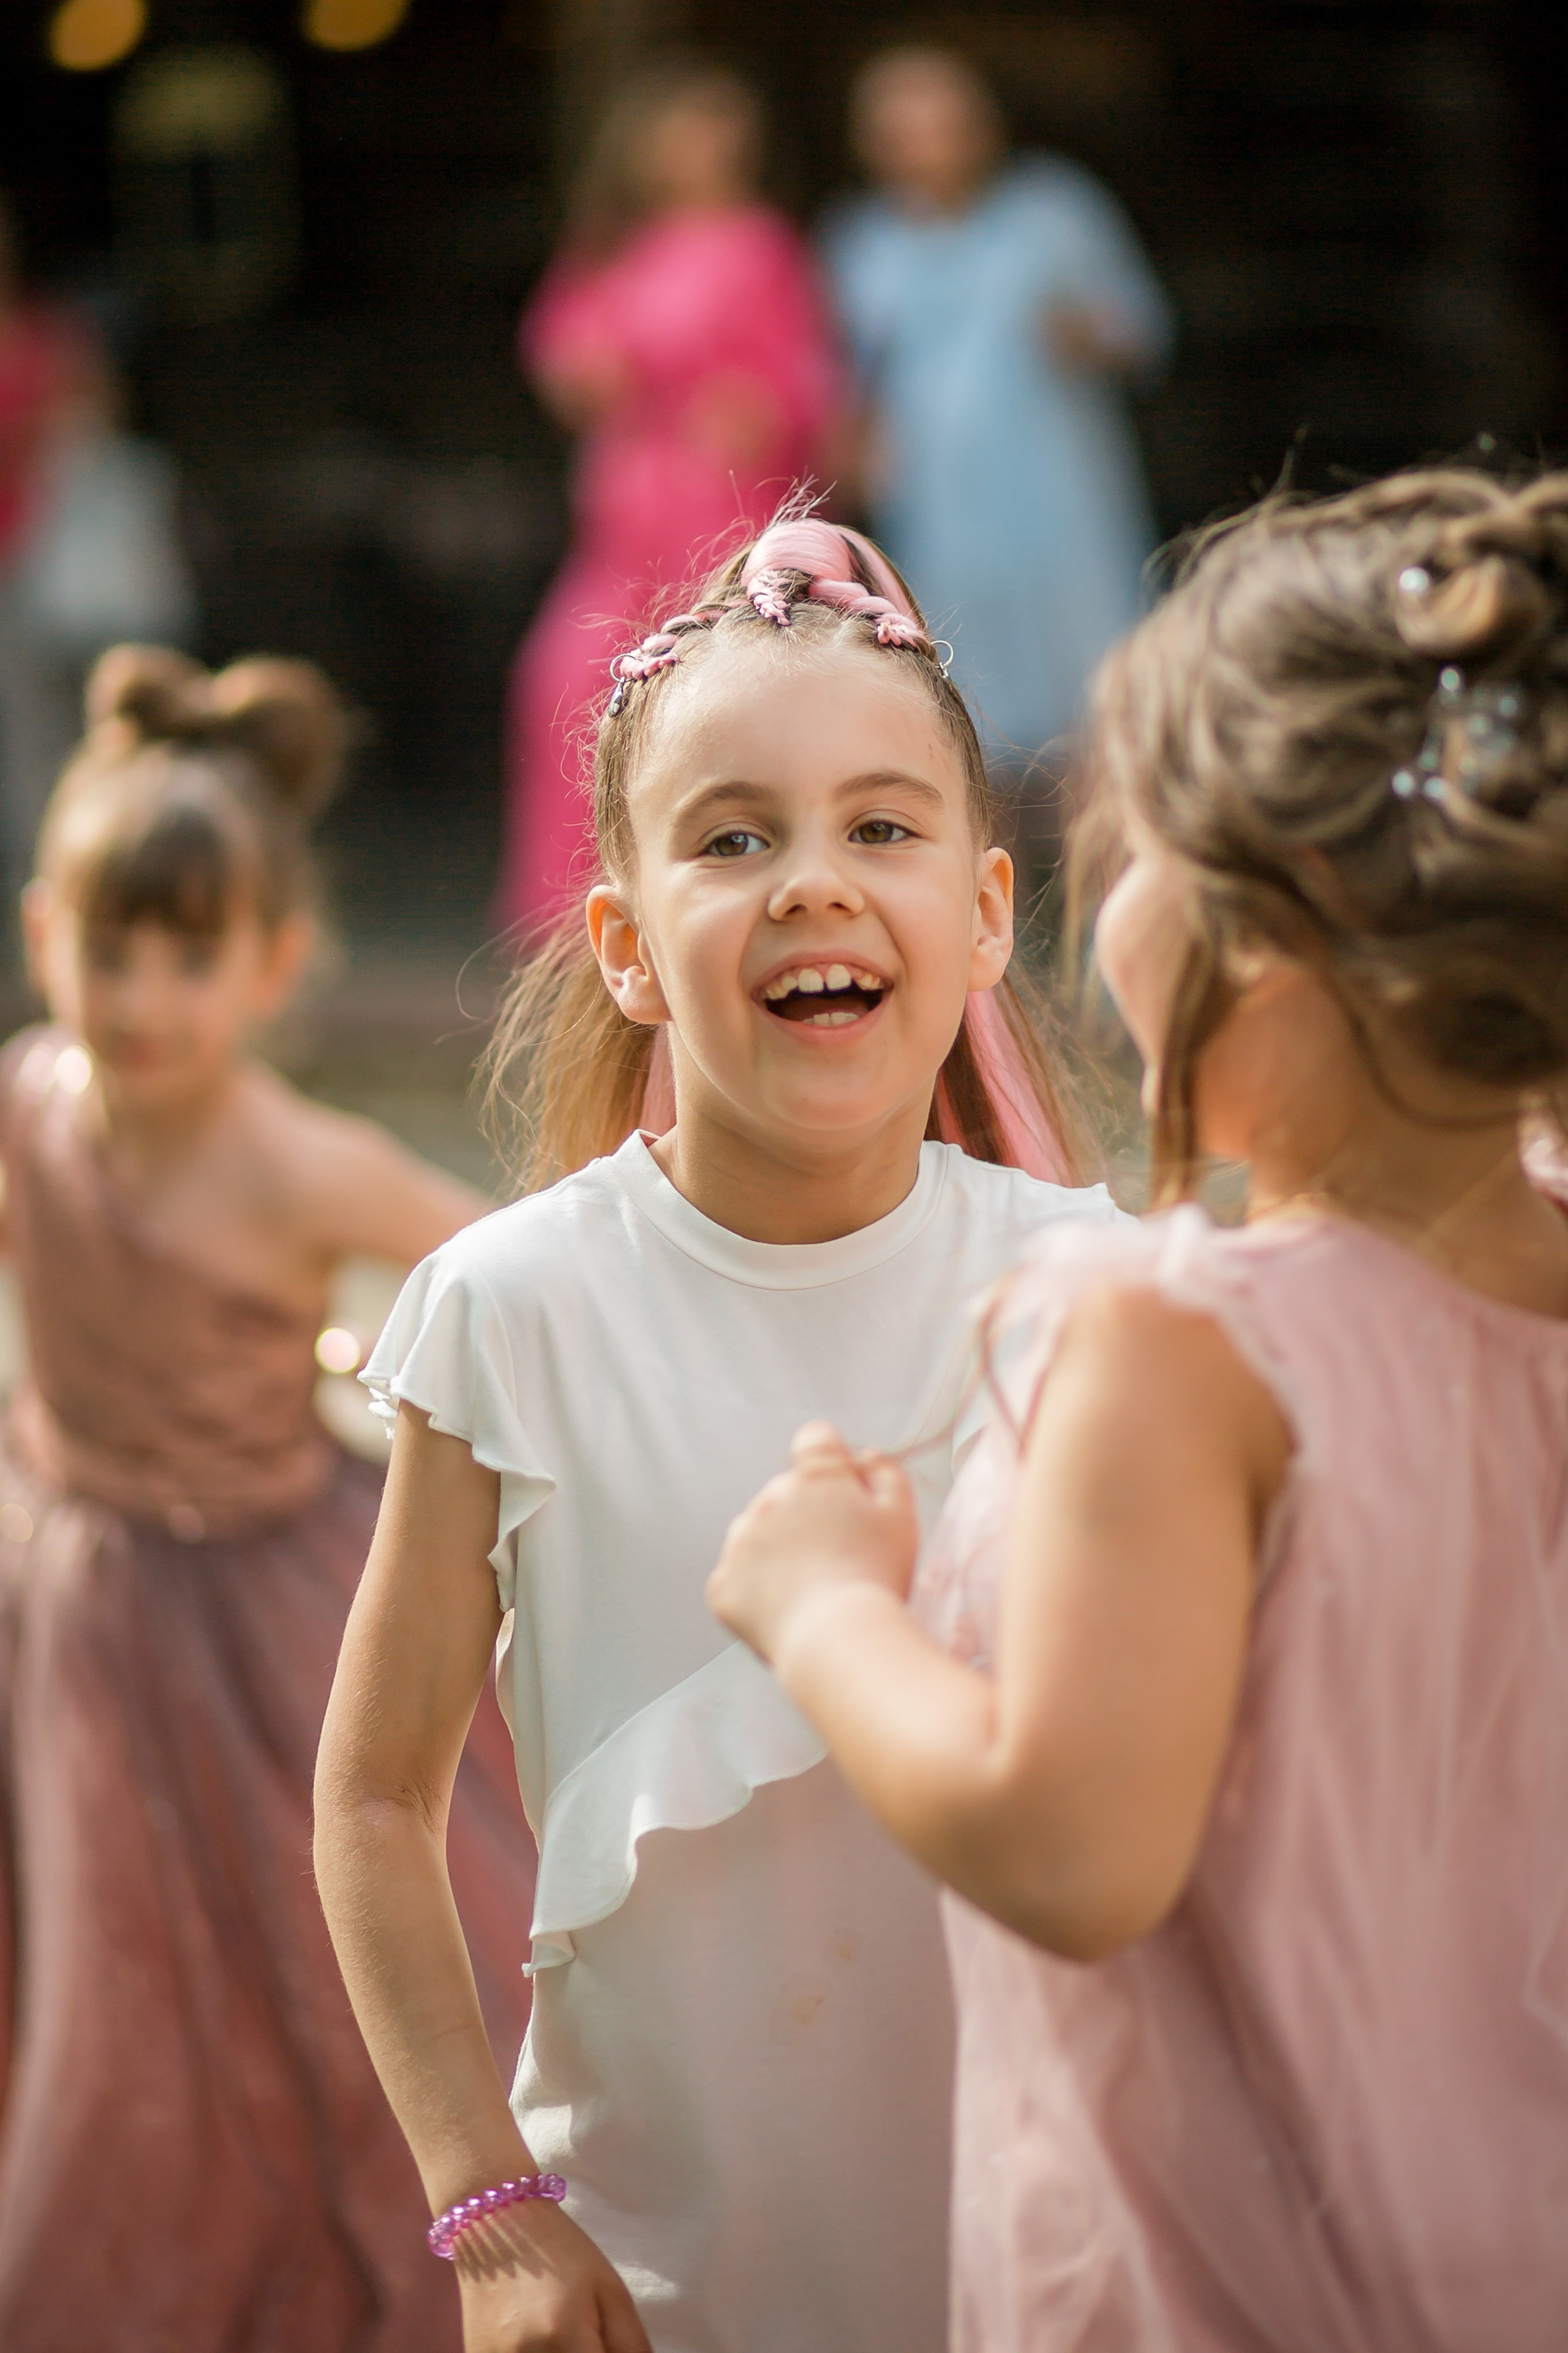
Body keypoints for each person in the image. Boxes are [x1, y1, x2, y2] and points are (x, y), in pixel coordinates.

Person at [709, 470, 1568, 2351]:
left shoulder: (1182, 1352)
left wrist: (822, 1605)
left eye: (1133, 837)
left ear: (1258, 931)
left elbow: (1071, 1849)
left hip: (1233, 2267)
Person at [314, 514, 1123, 2353]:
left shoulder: (1098, 1291)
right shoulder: (512, 1311)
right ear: (620, 940)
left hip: (1036, 2247)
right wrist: (486, 2204)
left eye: (881, 826)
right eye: (734, 834)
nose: (813, 883)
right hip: (656, 2265)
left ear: (987, 911)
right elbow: (372, 1792)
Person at [0, 648, 535, 2351]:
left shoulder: (298, 1160)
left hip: (266, 1611)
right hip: (78, 1596)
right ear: (40, 939)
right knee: (112, 1963)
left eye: (190, 953)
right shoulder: (30, 1105)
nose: (141, 995)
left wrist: (380, 1355)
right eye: (108, 947)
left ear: (275, 964)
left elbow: (494, 1273)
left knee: (322, 1955)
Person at [498, 63, 842, 936]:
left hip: (718, 510)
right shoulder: (616, 243)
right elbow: (562, 354)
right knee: (564, 692)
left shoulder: (763, 245)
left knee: (714, 702)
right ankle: (574, 931)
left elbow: (806, 384)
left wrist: (757, 408)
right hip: (624, 520)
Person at [828, 47, 1170, 825]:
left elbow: (1144, 334)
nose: (930, 143)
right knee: (965, 713)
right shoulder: (861, 245)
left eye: (945, 122)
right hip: (941, 523)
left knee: (1097, 707)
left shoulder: (1053, 211)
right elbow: (846, 385)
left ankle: (1106, 924)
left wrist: (1089, 335)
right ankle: (994, 919)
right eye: (904, 129)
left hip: (1063, 511)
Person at [0, 192, 101, 907]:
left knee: (43, 745)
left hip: (37, 564)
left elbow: (90, 435)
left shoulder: (47, 337)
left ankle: (56, 888)